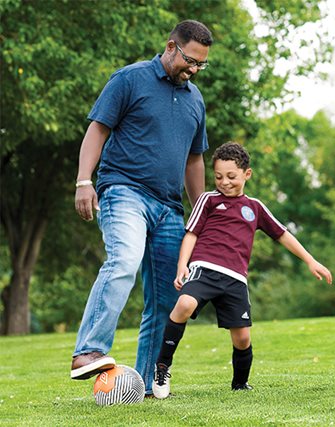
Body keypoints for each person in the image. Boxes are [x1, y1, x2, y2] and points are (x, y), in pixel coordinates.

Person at [71, 20, 213, 397]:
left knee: (168, 297)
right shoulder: (129, 79)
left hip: (169, 208)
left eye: (201, 64)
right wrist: (85, 180)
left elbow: (194, 160)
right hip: (125, 191)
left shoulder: (195, 99)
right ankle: (88, 351)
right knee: (124, 260)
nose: (194, 69)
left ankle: (148, 381)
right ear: (170, 46)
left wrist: (198, 216)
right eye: (189, 60)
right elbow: (98, 129)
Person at [152, 141, 333, 399]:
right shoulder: (208, 200)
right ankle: (162, 368)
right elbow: (191, 234)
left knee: (242, 339)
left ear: (247, 174)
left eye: (231, 176)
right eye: (218, 176)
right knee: (184, 304)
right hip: (205, 269)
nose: (224, 182)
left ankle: (240, 384)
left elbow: (282, 234)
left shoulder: (255, 208)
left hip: (235, 280)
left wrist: (310, 260)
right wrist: (183, 265)